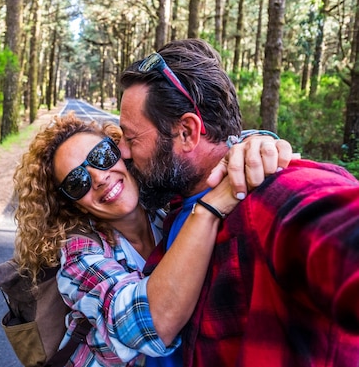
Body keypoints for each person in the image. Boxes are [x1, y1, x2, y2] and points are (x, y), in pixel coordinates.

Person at [118, 38, 359, 367]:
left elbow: (333, 222)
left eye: (131, 139)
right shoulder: (175, 195)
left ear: (187, 132)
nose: (124, 153)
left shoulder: (272, 197)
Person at [13, 113, 292, 366]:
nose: (98, 178)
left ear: (123, 153)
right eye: (77, 182)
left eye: (102, 157)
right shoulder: (78, 254)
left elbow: (198, 159)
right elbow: (148, 324)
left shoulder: (164, 208)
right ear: (74, 204)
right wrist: (208, 210)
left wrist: (255, 144)